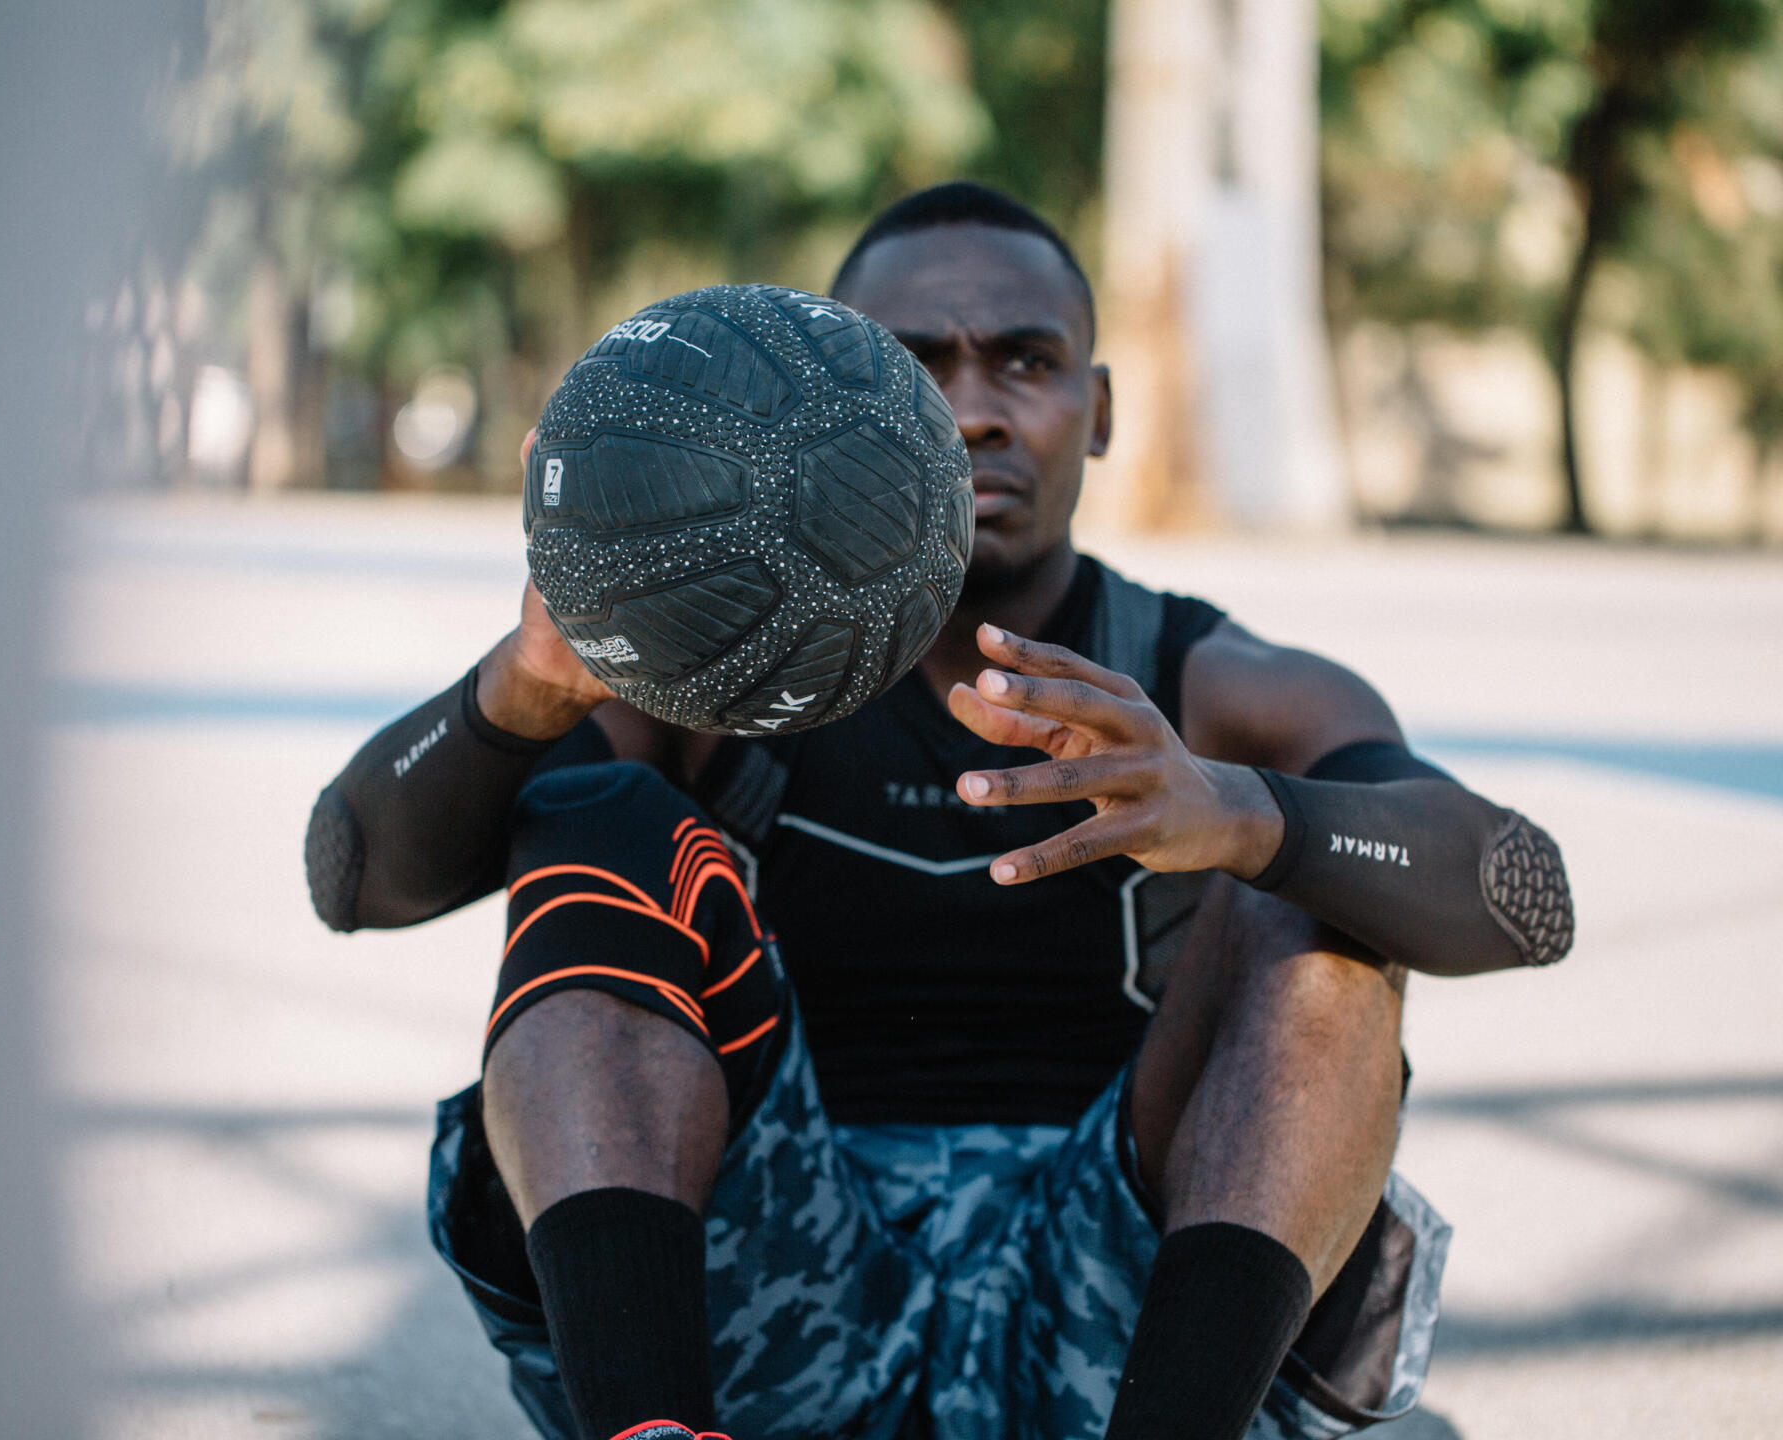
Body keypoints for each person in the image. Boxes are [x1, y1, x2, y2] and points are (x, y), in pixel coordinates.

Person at [304, 183, 1574, 1440]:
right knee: (594, 810)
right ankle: (654, 1432)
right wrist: (521, 690)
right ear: (817, 408)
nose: (973, 412)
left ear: (1102, 412)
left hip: (1123, 1326)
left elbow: (1524, 894)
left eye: (1026, 361)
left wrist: (1243, 813)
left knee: (1314, 898)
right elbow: (351, 870)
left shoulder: (1222, 689)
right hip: (782, 1299)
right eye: (917, 367)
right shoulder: (709, 681)